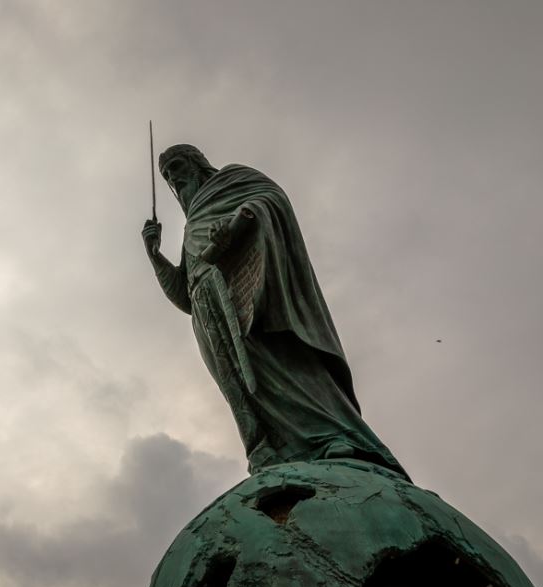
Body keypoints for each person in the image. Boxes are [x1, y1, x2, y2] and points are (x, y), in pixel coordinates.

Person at [142, 144, 408, 478]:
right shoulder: (191, 226)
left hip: (249, 293)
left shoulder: (232, 180)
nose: (174, 178)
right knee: (239, 386)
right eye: (167, 175)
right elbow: (183, 294)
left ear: (198, 164)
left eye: (178, 167)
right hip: (207, 313)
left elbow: (271, 199)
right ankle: (264, 451)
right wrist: (154, 254)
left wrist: (239, 223)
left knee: (281, 371)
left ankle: (334, 437)